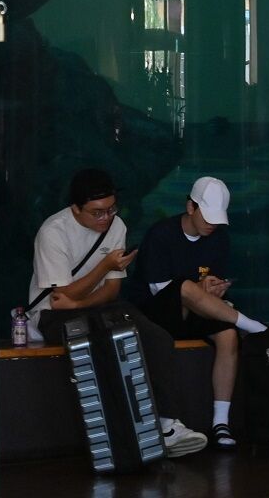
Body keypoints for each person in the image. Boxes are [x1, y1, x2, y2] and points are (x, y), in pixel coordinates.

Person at [27, 167, 208, 458]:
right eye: (97, 212)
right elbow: (63, 295)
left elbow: (111, 291)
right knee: (105, 345)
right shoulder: (53, 232)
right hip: (51, 314)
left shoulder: (117, 226)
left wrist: (79, 304)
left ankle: (167, 426)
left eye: (111, 209)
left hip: (95, 307)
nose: (105, 218)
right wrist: (104, 267)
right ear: (75, 208)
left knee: (157, 338)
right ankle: (123, 436)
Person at [128, 176, 266, 449]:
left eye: (217, 219)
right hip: (156, 314)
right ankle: (253, 326)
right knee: (184, 287)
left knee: (227, 336)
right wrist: (198, 289)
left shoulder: (219, 238)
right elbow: (159, 289)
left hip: (196, 310)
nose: (212, 224)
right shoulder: (161, 234)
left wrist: (213, 289)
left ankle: (221, 422)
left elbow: (210, 283)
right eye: (207, 217)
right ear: (190, 207)